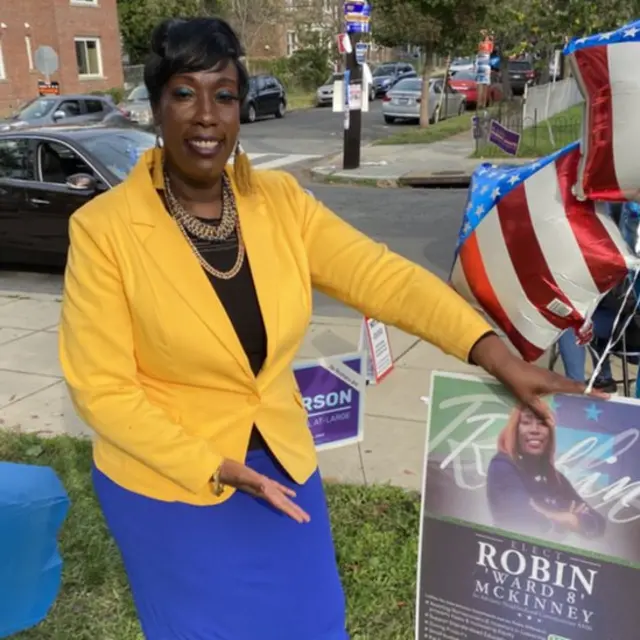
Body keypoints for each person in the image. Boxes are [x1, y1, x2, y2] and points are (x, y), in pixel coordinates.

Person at [58, 17, 598, 640]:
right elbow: (103, 389)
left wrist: (496, 355)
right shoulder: (105, 230)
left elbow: (384, 278)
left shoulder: (280, 202)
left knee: (314, 623)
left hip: (281, 459)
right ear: (156, 107)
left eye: (224, 95)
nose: (206, 115)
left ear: (241, 110)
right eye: (185, 93)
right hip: (171, 481)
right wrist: (217, 466)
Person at [486, 406, 605, 540]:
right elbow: (521, 518)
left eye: (542, 423)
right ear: (515, 431)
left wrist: (572, 520)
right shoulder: (502, 465)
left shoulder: (555, 478)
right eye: (526, 422)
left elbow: (598, 524)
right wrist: (562, 516)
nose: (535, 430)